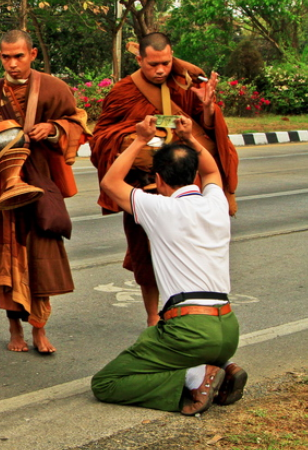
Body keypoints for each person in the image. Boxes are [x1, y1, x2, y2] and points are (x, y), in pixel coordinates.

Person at [91, 114, 247, 415]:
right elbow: (213, 171)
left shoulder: (159, 207)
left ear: (159, 180)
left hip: (188, 331)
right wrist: (189, 138)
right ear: (193, 175)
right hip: (228, 329)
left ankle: (197, 375)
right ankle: (220, 365)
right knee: (172, 347)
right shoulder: (216, 203)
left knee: (107, 382)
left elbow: (110, 183)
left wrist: (138, 139)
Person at [89, 32, 239, 326]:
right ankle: (151, 317)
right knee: (145, 254)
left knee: (189, 251)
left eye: (166, 63)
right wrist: (133, 139)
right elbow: (101, 137)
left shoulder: (182, 84)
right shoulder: (123, 91)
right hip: (145, 185)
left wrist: (208, 108)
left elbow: (207, 131)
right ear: (140, 60)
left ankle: (190, 310)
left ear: (173, 58)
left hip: (183, 183)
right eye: (153, 64)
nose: (160, 70)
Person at [0, 30, 91, 354]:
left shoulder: (53, 87)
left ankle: (39, 329)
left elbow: (77, 122)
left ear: (32, 54)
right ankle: (14, 329)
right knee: (6, 257)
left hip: (37, 182)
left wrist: (53, 128)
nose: (12, 63)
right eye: (6, 57)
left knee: (39, 257)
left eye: (18, 56)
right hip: (0, 187)